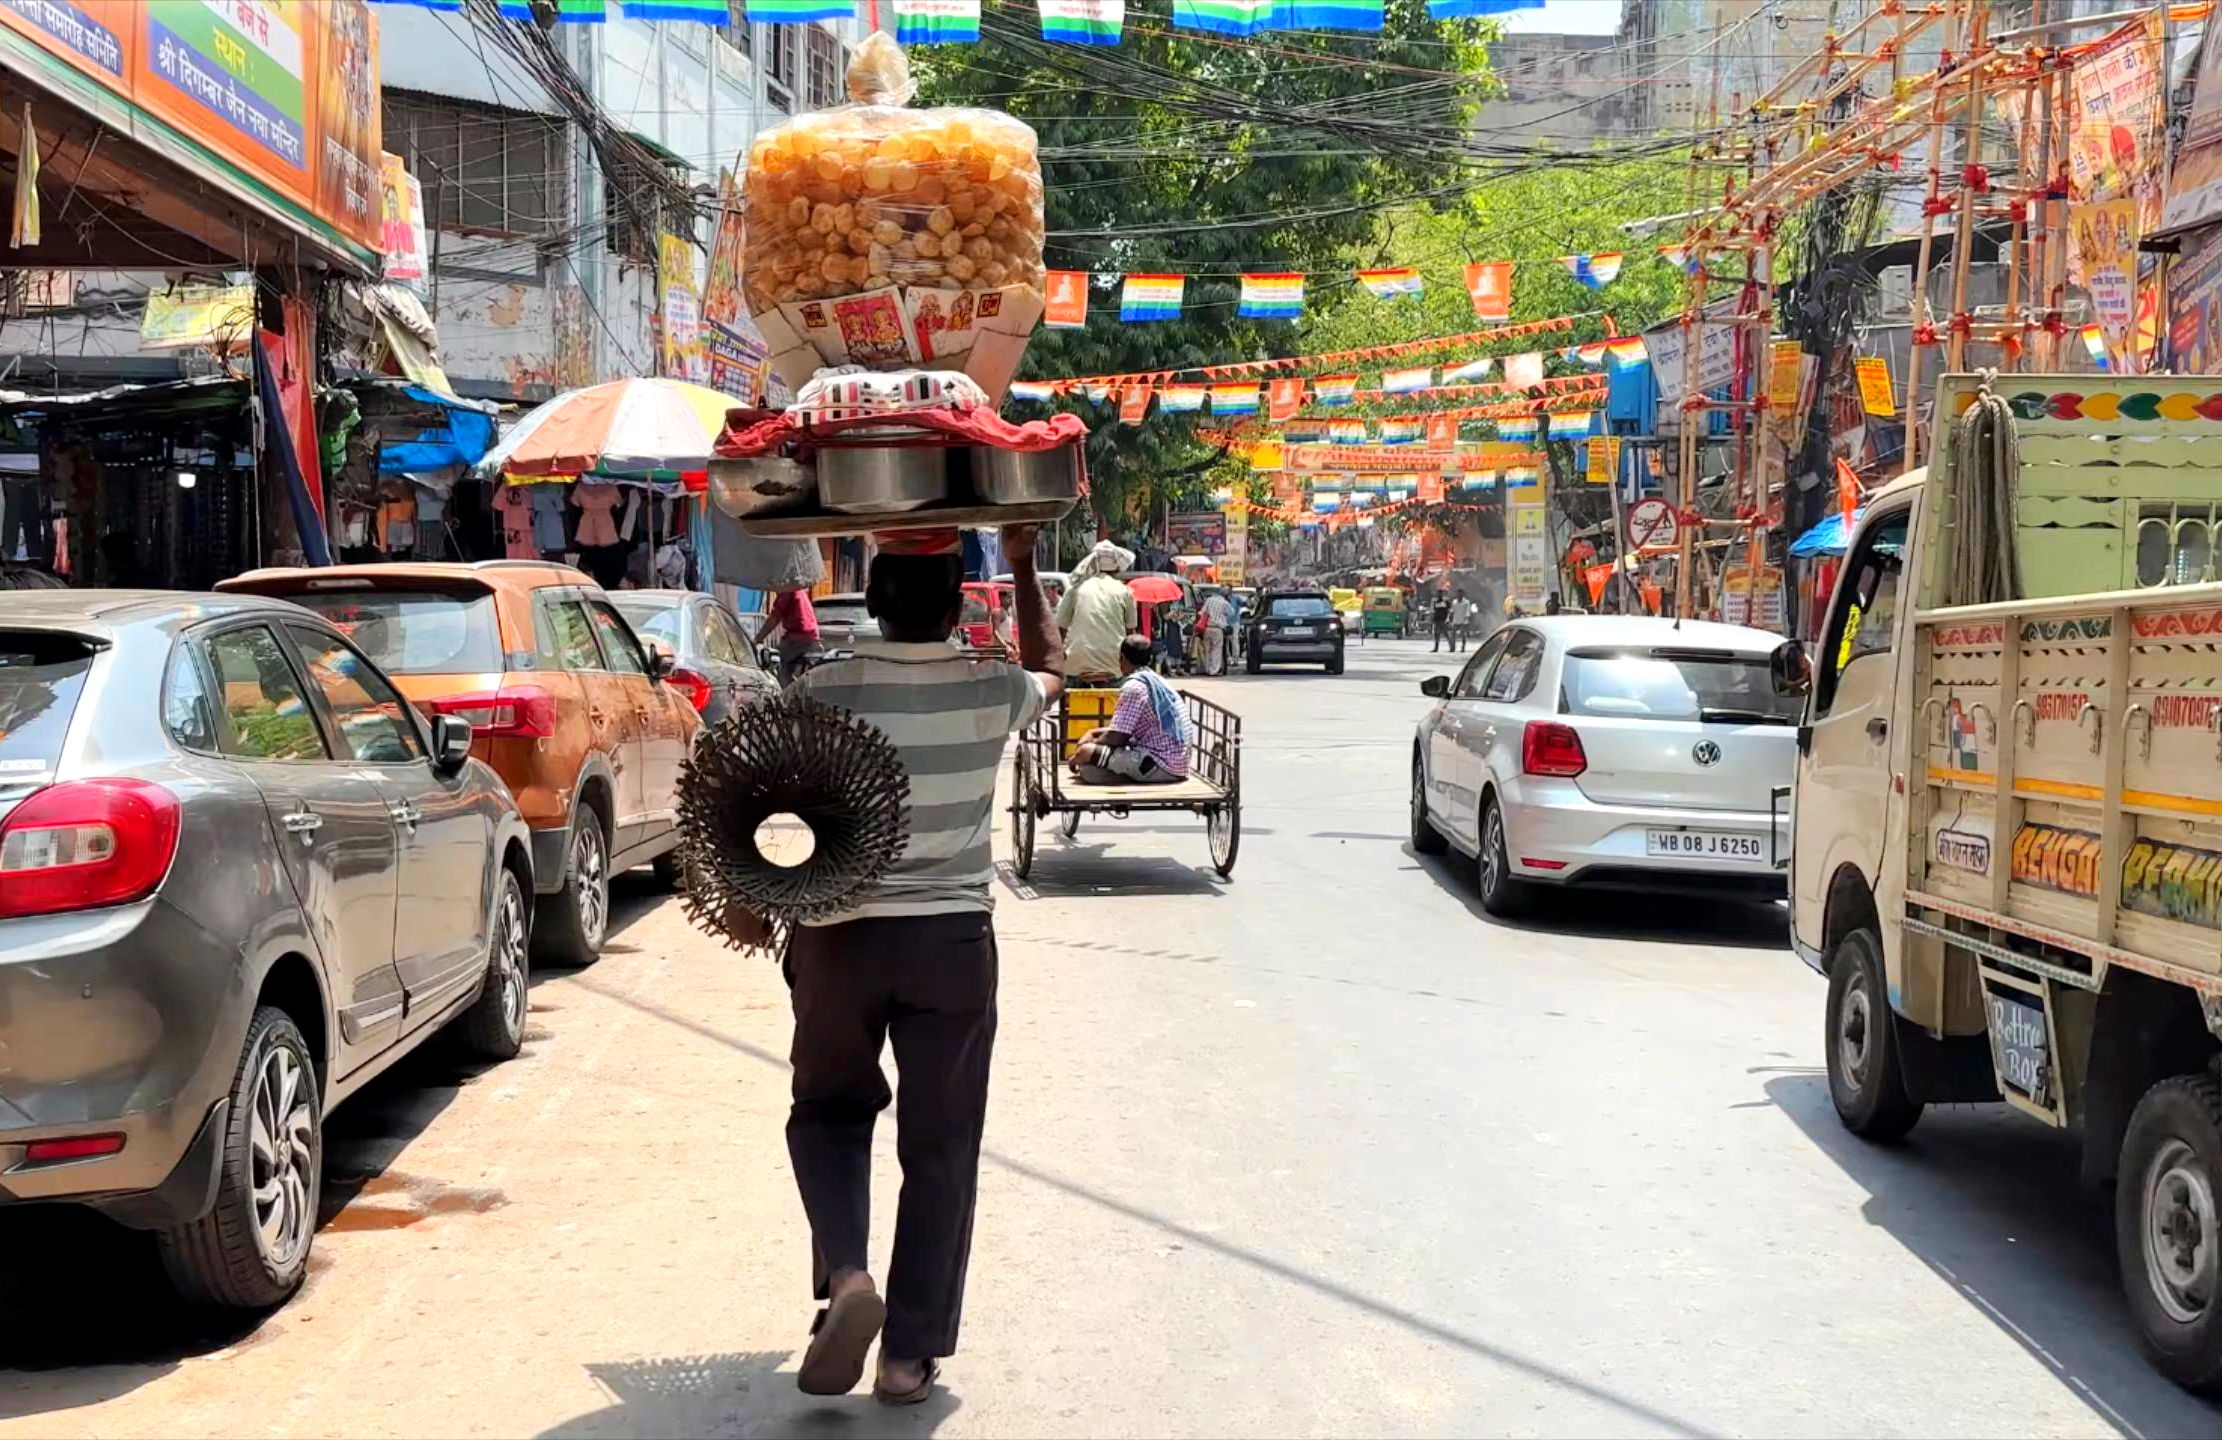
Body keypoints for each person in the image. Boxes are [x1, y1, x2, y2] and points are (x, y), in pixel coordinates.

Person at [783, 525, 1064, 1405]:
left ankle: (848, 1277)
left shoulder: (820, 689)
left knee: (827, 1112)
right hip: (950, 946)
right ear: (955, 605)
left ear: (870, 598)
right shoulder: (991, 685)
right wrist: (1019, 565)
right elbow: (1055, 664)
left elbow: (763, 801)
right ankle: (906, 1359)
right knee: (940, 1148)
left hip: (837, 938)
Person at [1070, 634, 1189, 785]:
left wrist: (1087, 749)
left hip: (1159, 764)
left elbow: (1118, 738)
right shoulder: (1156, 680)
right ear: (1150, 659)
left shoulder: (1134, 687)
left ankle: (1124, 776)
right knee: (1091, 761)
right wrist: (1094, 733)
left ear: (1122, 659)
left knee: (1086, 755)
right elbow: (1127, 729)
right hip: (1177, 763)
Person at [1054, 539, 1138, 684]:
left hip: (1076, 666)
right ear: (1117, 567)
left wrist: (1059, 654)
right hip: (1114, 666)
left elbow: (1060, 627)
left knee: (1067, 693)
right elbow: (1130, 633)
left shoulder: (1076, 588)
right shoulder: (1125, 591)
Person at [756, 586, 823, 683]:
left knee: (773, 661)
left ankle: (784, 694)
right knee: (787, 670)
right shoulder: (798, 590)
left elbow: (774, 618)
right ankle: (794, 690)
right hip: (810, 636)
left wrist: (759, 638)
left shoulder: (787, 591)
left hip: (798, 637)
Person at [1198, 588, 1236, 676]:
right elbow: (1231, 613)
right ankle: (1214, 670)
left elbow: (1202, 612)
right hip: (1218, 629)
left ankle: (1207, 669)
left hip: (1207, 628)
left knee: (1207, 649)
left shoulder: (1209, 600)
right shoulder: (1225, 603)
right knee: (1216, 650)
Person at [1429, 588, 1453, 652]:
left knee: (1446, 634)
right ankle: (1436, 648)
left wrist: (1448, 618)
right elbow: (1434, 611)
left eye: (1440, 593)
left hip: (1444, 620)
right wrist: (1432, 619)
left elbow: (1449, 610)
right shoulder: (1435, 601)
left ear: (1442, 594)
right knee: (1436, 634)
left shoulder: (1446, 601)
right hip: (1437, 620)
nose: (1439, 594)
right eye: (1438, 593)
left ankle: (1451, 647)